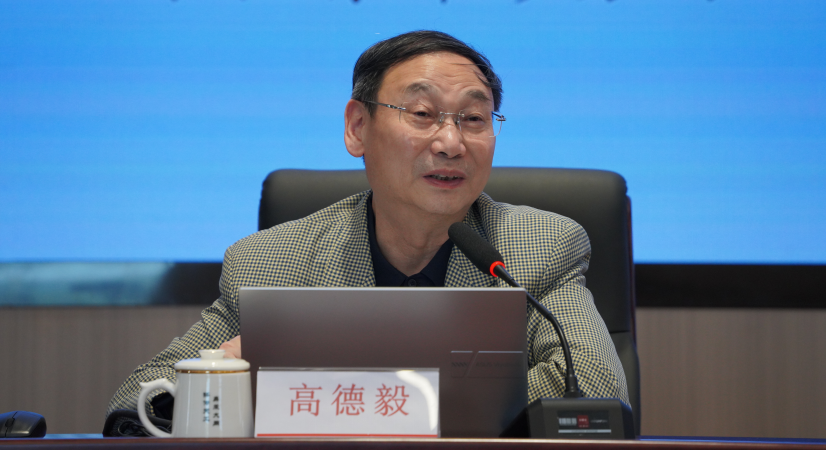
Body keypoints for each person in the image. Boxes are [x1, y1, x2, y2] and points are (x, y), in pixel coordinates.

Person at [107, 30, 629, 419]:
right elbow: (135, 401)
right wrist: (222, 376)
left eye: (474, 119)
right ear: (358, 127)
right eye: (422, 113)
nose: (451, 142)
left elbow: (594, 386)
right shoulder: (272, 261)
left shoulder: (537, 247)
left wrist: (343, 390)